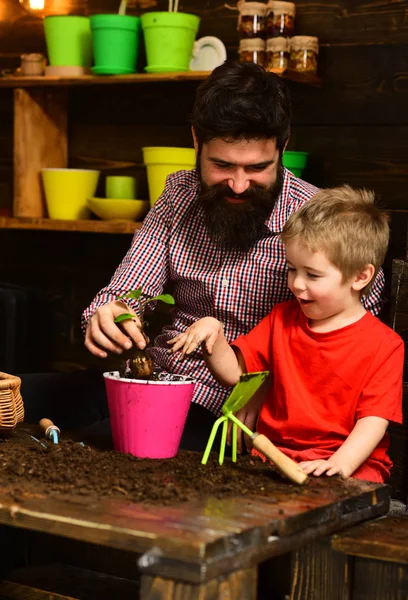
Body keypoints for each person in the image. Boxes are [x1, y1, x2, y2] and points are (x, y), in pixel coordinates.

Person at [82, 61, 385, 451]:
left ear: (284, 145)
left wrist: (267, 387)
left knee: (90, 448)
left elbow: (351, 353)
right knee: (24, 399)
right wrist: (110, 313)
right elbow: (127, 293)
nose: (239, 185)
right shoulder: (179, 194)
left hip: (231, 413)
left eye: (257, 168)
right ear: (196, 141)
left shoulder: (324, 226)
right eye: (221, 165)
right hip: (151, 379)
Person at [168, 186, 403, 482]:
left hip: (350, 466)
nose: (297, 284)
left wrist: (338, 465)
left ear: (360, 276)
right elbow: (234, 374)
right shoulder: (281, 319)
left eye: (313, 275)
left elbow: (373, 421)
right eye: (292, 269)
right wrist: (213, 334)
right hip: (273, 457)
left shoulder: (385, 345)